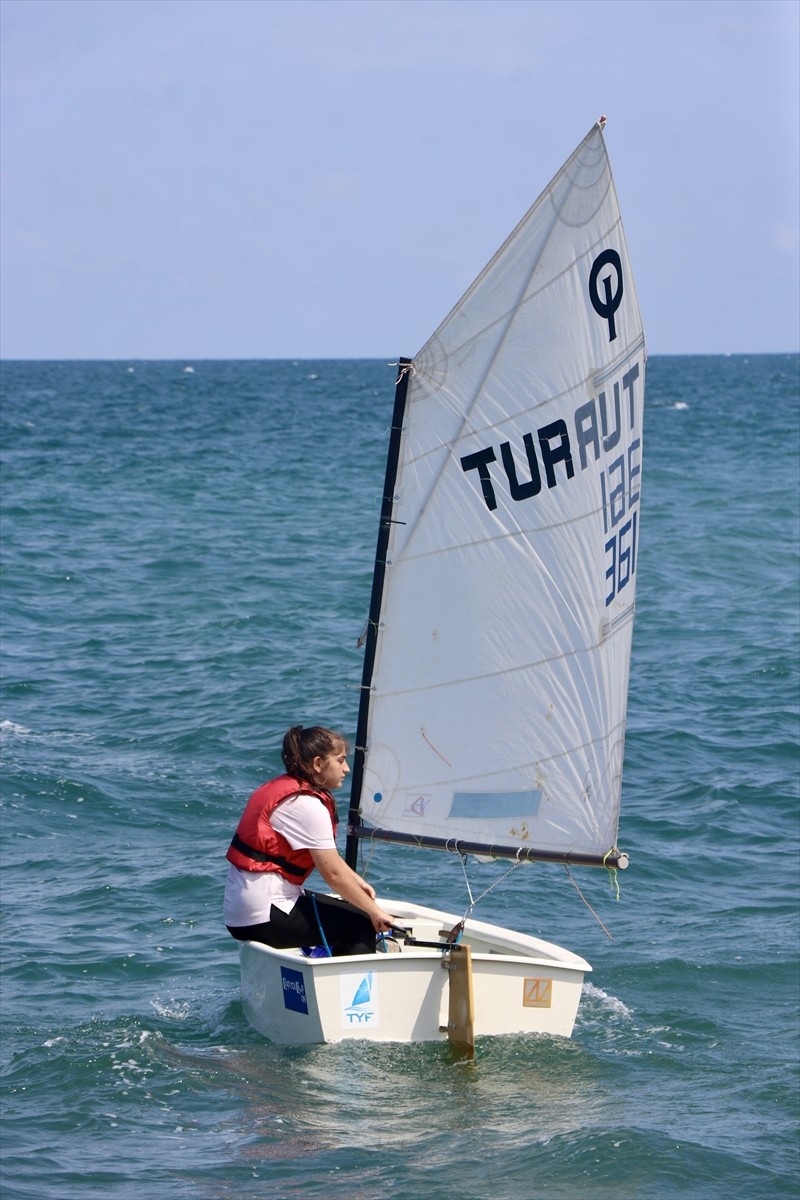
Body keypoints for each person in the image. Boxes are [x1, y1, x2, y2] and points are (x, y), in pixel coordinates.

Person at [224, 725, 395, 956]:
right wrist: (375, 912)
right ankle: (353, 992)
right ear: (317, 764)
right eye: (340, 760)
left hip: (241, 910)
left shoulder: (283, 790)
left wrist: (357, 882)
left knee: (352, 911)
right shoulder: (306, 805)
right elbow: (332, 875)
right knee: (361, 923)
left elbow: (332, 863)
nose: (346, 769)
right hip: (264, 912)